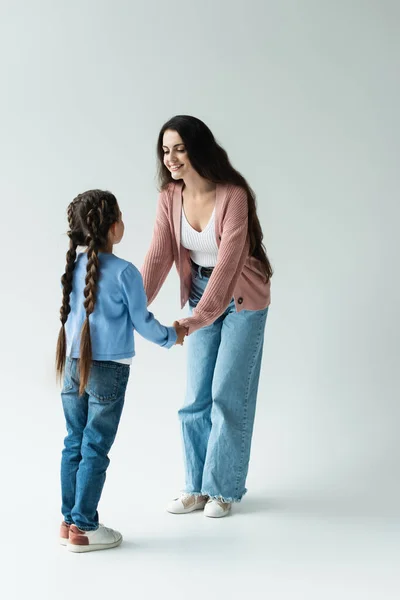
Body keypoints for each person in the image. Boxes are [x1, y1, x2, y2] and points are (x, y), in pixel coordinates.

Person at [141, 115, 273, 518]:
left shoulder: (233, 196)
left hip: (241, 300)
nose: (171, 158)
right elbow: (159, 255)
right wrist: (129, 306)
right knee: (194, 397)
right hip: (198, 296)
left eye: (179, 148)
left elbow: (229, 266)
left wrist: (190, 322)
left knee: (226, 397)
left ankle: (222, 490)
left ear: (199, 148)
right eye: (166, 150)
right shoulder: (170, 196)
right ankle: (195, 487)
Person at [56, 189, 186, 552]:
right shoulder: (125, 272)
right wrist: (171, 336)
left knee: (74, 442)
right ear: (114, 228)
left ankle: (69, 521)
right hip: (108, 370)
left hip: (71, 365)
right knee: (95, 446)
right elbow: (143, 323)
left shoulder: (73, 266)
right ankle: (85, 527)